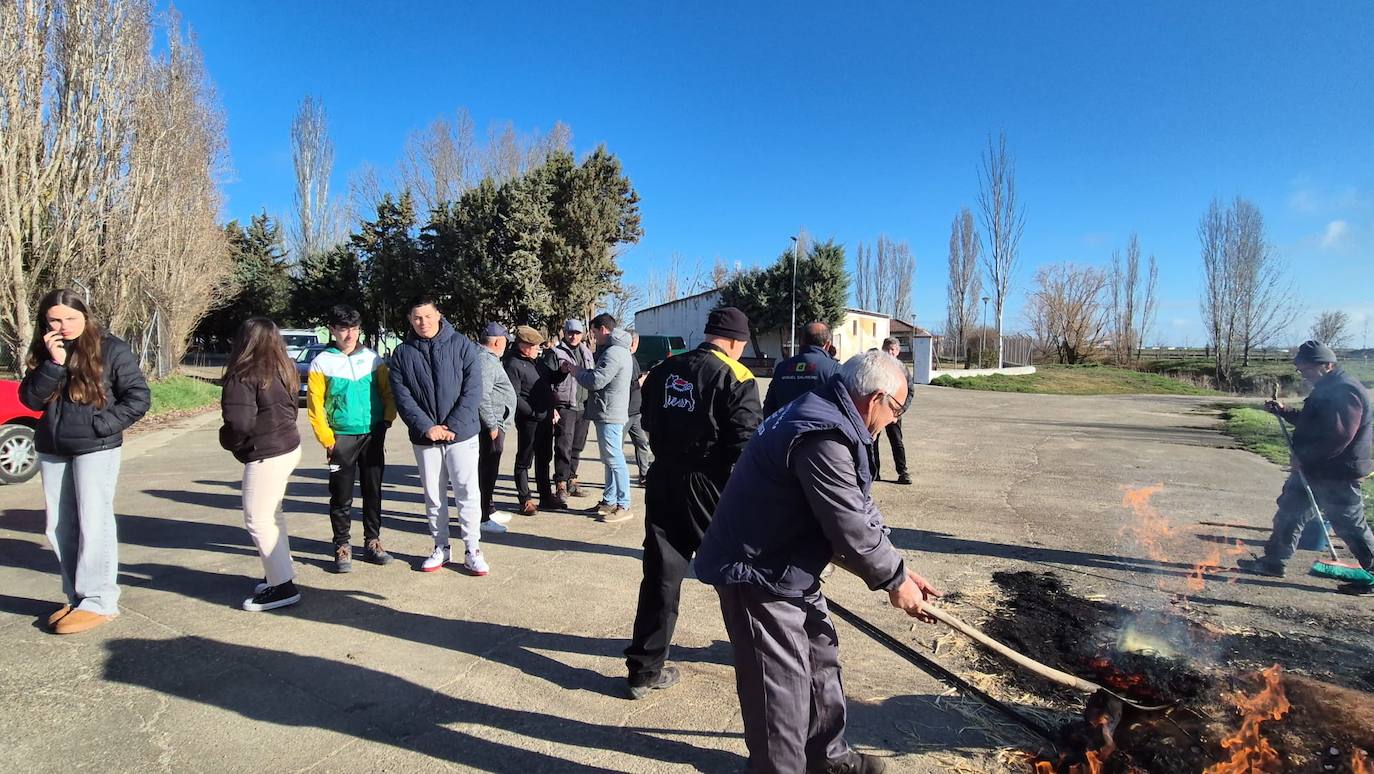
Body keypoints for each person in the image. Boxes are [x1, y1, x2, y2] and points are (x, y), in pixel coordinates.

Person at [695, 350, 942, 774]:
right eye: (897, 409)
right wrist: (894, 582)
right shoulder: (822, 431)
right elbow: (847, 524)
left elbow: (861, 504)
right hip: (757, 570)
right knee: (781, 692)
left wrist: (899, 570)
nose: (896, 420)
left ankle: (828, 759)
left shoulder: (836, 416)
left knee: (821, 659)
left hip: (789, 565)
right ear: (875, 398)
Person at [624, 306, 763, 698]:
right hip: (710, 483)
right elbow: (746, 444)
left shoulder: (667, 368)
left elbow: (646, 419)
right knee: (736, 573)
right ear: (737, 342)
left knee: (660, 574)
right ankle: (757, 652)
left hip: (664, 476)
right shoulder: (737, 376)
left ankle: (643, 670)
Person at [21, 289, 150, 634]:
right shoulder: (47, 349)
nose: (63, 326)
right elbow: (31, 400)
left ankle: (100, 600)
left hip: (96, 447)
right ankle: (76, 596)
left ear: (86, 316)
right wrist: (54, 363)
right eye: (54, 320)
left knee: (94, 521)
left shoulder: (112, 348)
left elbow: (138, 397)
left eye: (71, 319)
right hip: (53, 446)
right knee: (59, 525)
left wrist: (102, 424)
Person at [1236, 340, 1374, 595]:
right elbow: (1314, 423)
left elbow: (1338, 436)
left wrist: (1307, 459)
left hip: (1337, 472)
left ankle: (1373, 573)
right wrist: (1285, 412)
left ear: (1327, 365)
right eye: (1301, 370)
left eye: (1307, 369)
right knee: (1289, 512)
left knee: (1349, 524)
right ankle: (1273, 562)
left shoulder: (1345, 391)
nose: (1304, 375)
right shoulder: (1327, 387)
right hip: (1314, 469)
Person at [388, 296, 488, 576]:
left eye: (428, 316)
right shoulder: (402, 353)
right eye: (417, 318)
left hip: (462, 434)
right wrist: (426, 426)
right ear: (410, 320)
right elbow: (402, 396)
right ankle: (440, 546)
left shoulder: (462, 346)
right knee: (434, 495)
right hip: (425, 437)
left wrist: (453, 424)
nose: (423, 323)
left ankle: (472, 549)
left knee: (467, 492)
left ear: (439, 315)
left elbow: (473, 390)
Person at [220, 317, 305, 612]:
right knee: (272, 514)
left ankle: (282, 586)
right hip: (287, 446)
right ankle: (279, 573)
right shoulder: (285, 369)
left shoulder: (243, 373)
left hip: (266, 452)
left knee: (258, 519)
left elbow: (238, 422)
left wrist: (229, 441)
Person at [306, 304, 397, 572]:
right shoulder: (322, 362)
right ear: (332, 330)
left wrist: (386, 420)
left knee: (373, 491)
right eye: (343, 329)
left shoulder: (373, 359)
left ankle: (373, 541)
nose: (349, 335)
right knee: (341, 495)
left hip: (372, 434)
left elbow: (387, 393)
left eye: (354, 329)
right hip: (340, 438)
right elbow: (315, 406)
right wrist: (327, 438)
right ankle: (342, 545)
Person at [564, 313, 634, 522]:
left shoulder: (613, 353)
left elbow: (596, 380)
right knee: (610, 459)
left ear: (604, 330)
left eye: (594, 333)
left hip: (610, 413)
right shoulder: (619, 351)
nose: (593, 338)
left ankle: (624, 504)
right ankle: (610, 500)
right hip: (610, 411)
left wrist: (576, 371)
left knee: (614, 459)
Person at [504, 326, 566, 515]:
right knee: (524, 460)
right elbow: (513, 396)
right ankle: (525, 499)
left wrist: (563, 371)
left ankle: (546, 496)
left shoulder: (538, 362)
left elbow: (551, 378)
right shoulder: (512, 364)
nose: (537, 349)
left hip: (545, 417)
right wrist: (531, 412)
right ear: (523, 345)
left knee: (544, 458)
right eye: (534, 346)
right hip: (528, 420)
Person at [477, 322, 517, 533]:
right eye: (505, 341)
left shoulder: (490, 359)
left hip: (494, 423)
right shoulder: (485, 361)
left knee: (490, 469)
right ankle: (483, 517)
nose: (506, 346)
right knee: (486, 469)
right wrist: (492, 425)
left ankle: (489, 508)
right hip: (489, 426)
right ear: (497, 342)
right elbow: (482, 396)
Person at [551, 319, 595, 504]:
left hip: (583, 406)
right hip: (566, 406)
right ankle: (560, 483)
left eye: (577, 333)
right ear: (564, 333)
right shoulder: (555, 353)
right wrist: (552, 407)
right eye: (570, 332)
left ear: (582, 334)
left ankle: (572, 480)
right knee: (563, 446)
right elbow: (548, 380)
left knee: (577, 446)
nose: (573, 336)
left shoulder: (587, 352)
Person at [761, 322, 840, 417]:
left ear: (801, 342)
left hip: (785, 428)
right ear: (828, 344)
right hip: (821, 429)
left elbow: (769, 407)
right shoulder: (835, 369)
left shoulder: (781, 367)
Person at [872, 337, 914, 485]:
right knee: (873, 441)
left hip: (894, 412)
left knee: (896, 441)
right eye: (886, 349)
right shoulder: (876, 367)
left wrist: (900, 411)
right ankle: (874, 472)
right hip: (877, 412)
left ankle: (902, 472)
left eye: (892, 350)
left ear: (897, 351)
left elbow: (910, 392)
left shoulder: (902, 369)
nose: (889, 353)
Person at [626, 331, 654, 485]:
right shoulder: (624, 358)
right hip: (624, 412)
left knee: (642, 443)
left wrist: (642, 377)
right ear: (634, 343)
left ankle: (643, 475)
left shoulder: (633, 358)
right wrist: (639, 382)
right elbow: (623, 385)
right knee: (616, 449)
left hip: (636, 412)